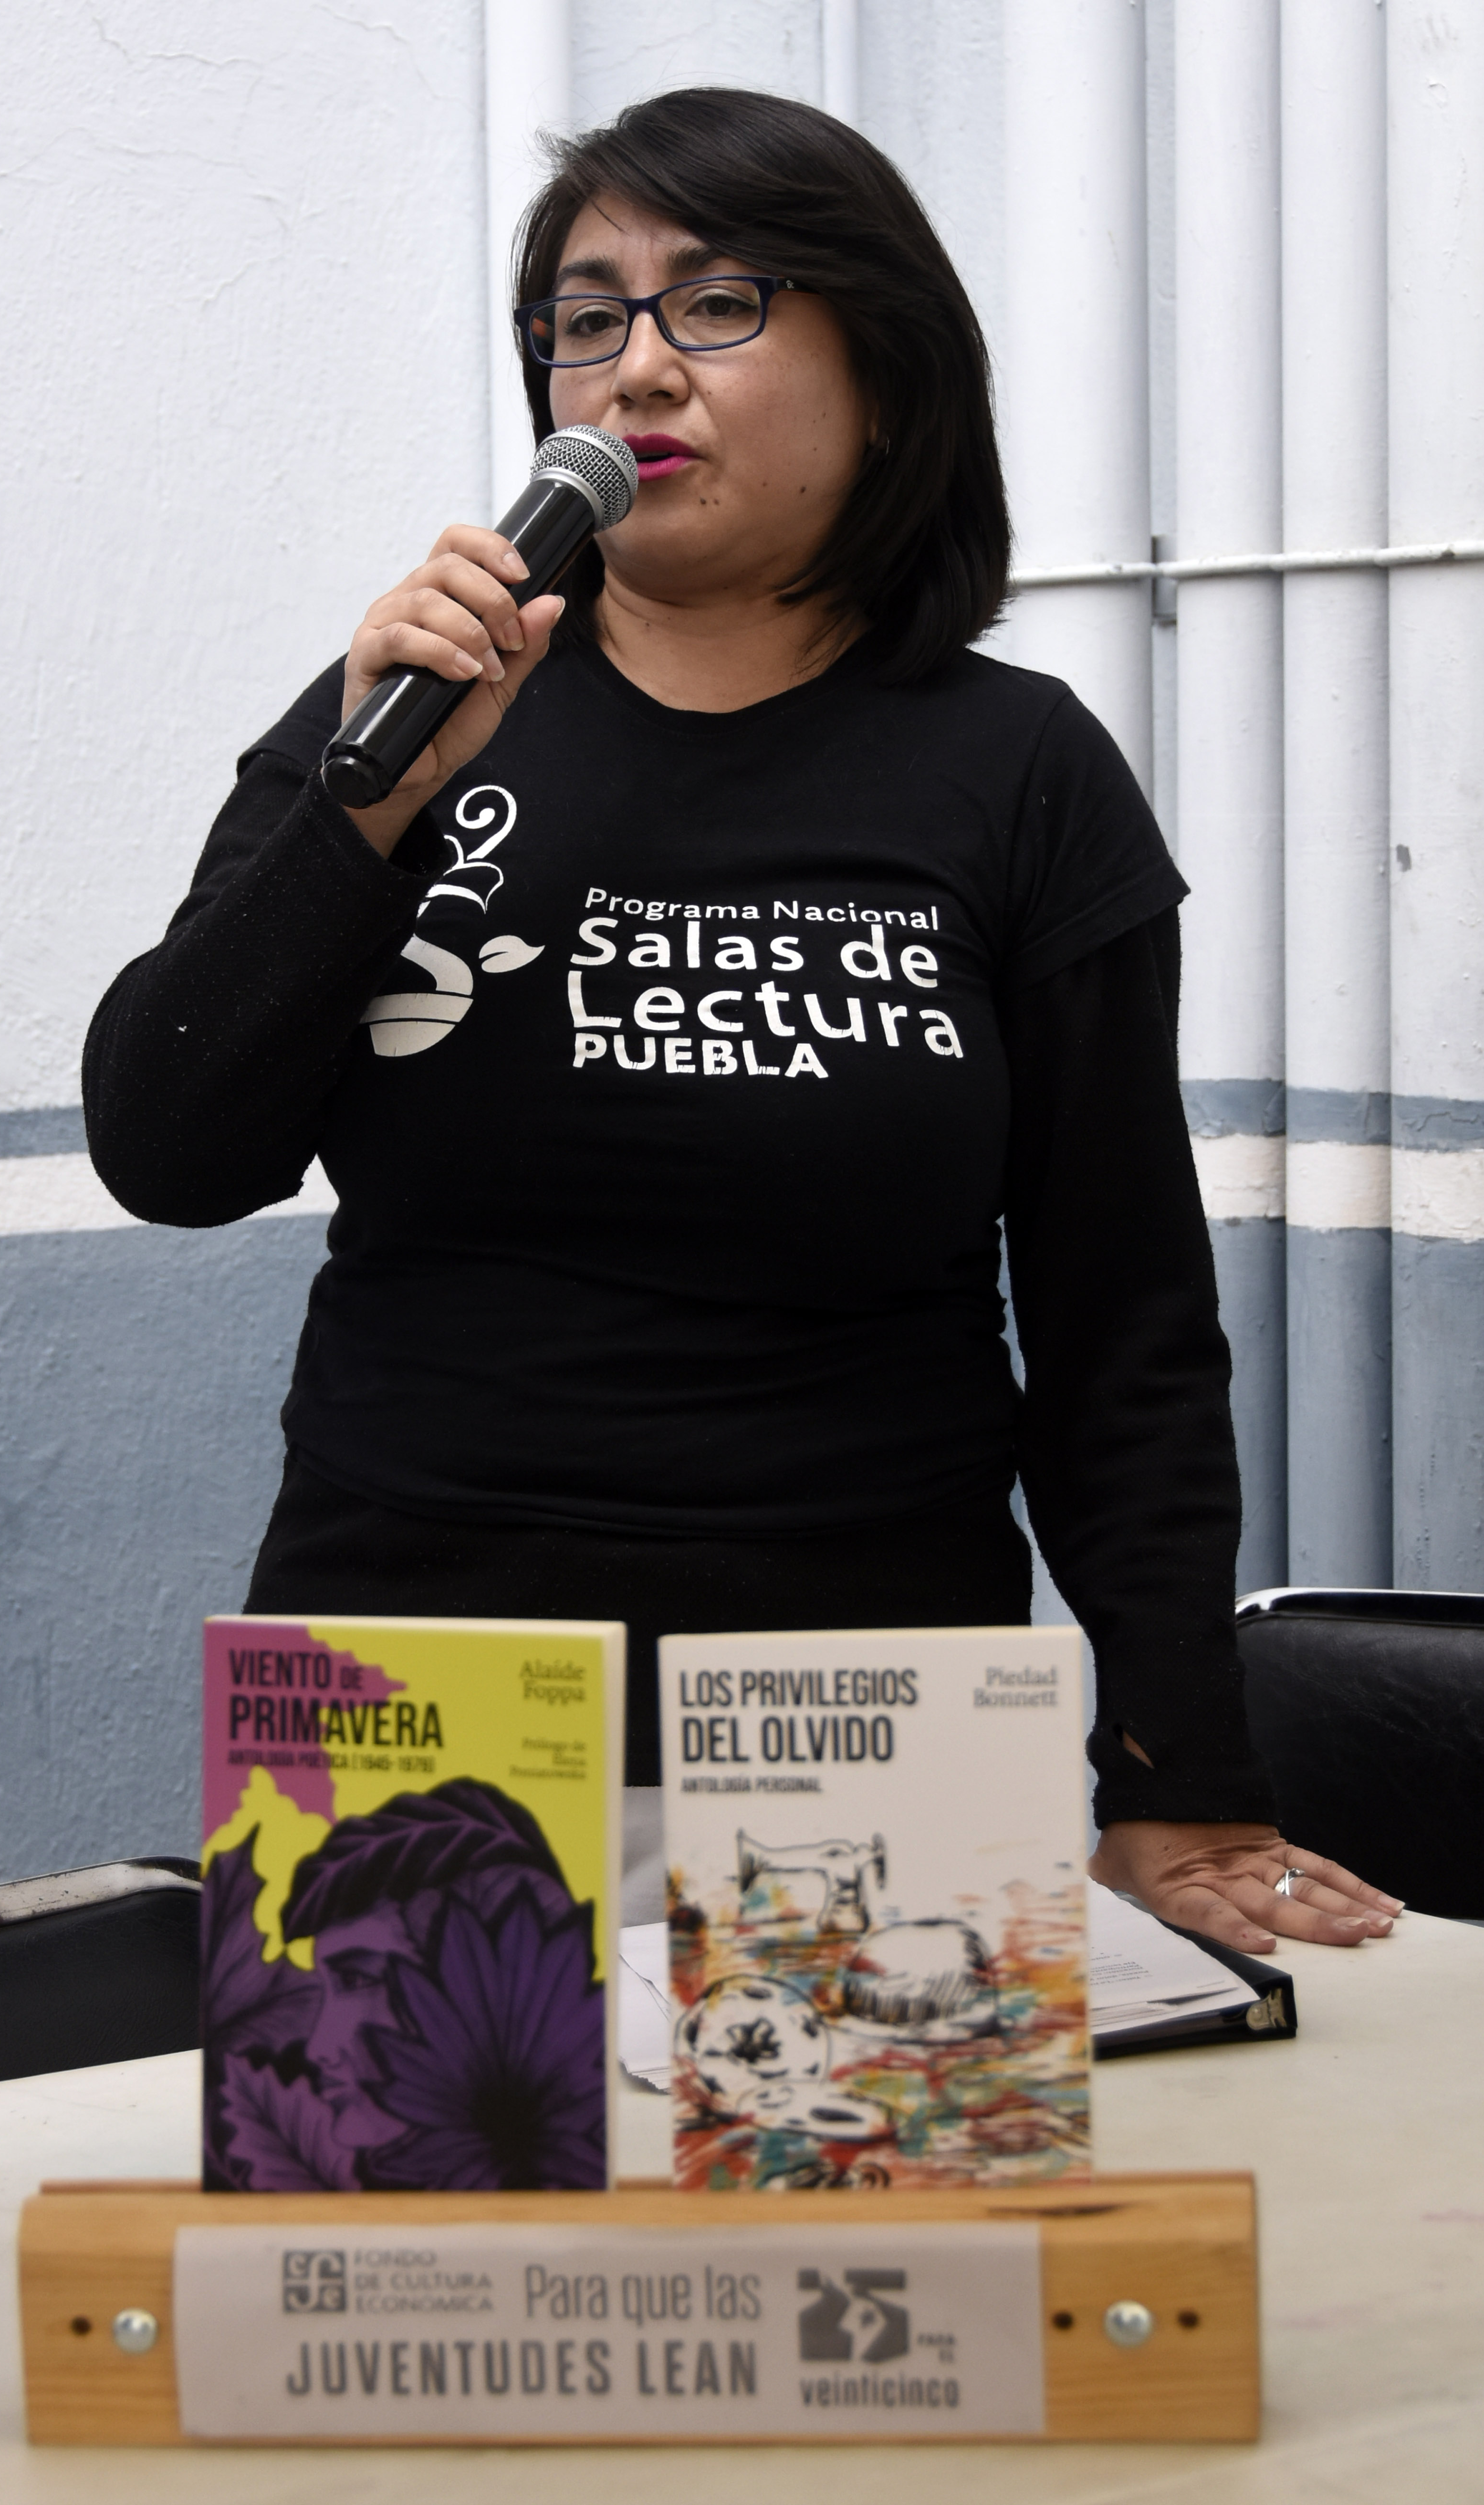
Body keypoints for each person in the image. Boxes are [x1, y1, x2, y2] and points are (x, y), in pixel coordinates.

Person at [84, 86, 1398, 1958]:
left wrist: (1176, 1767)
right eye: (585, 314)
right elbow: (168, 1147)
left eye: (714, 303)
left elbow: (1123, 1321)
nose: (636, 364)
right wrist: (364, 816)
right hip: (411, 1685)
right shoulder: (407, 712)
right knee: (421, 2158)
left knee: (872, 2160)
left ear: (886, 376)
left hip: (868, 1695)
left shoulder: (1018, 771)